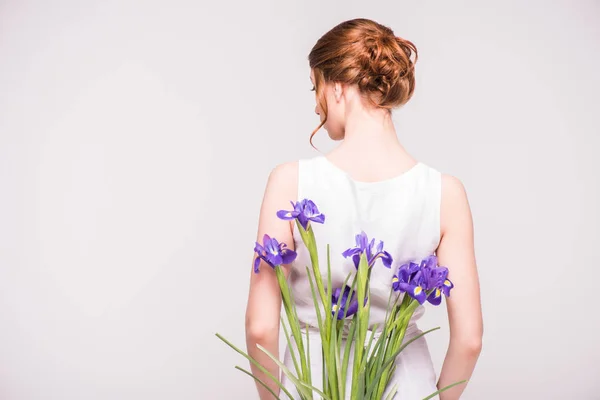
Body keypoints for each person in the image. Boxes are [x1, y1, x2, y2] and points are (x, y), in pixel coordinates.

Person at [244, 18, 483, 400]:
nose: (315, 103)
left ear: (337, 87)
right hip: (406, 383)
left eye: (315, 87)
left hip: (313, 383)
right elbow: (469, 339)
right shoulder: (445, 193)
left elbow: (260, 328)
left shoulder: (289, 181)